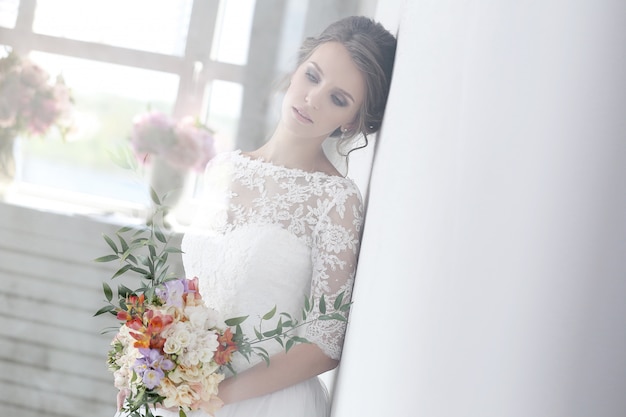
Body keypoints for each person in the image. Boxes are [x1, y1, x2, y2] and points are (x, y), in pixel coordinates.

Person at [118, 15, 396, 417]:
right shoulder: (222, 168)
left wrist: (213, 396)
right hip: (183, 389)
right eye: (312, 76)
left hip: (258, 402)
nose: (313, 98)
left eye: (338, 99)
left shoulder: (336, 200)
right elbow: (195, 293)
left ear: (350, 120)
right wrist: (145, 361)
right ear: (297, 69)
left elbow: (323, 344)